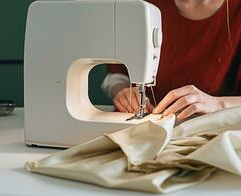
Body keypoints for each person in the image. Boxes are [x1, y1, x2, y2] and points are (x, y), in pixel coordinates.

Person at [101, 0, 241, 121]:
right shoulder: (142, 7)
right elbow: (116, 75)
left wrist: (218, 103)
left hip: (211, 131)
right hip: (147, 120)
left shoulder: (236, 12)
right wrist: (122, 91)